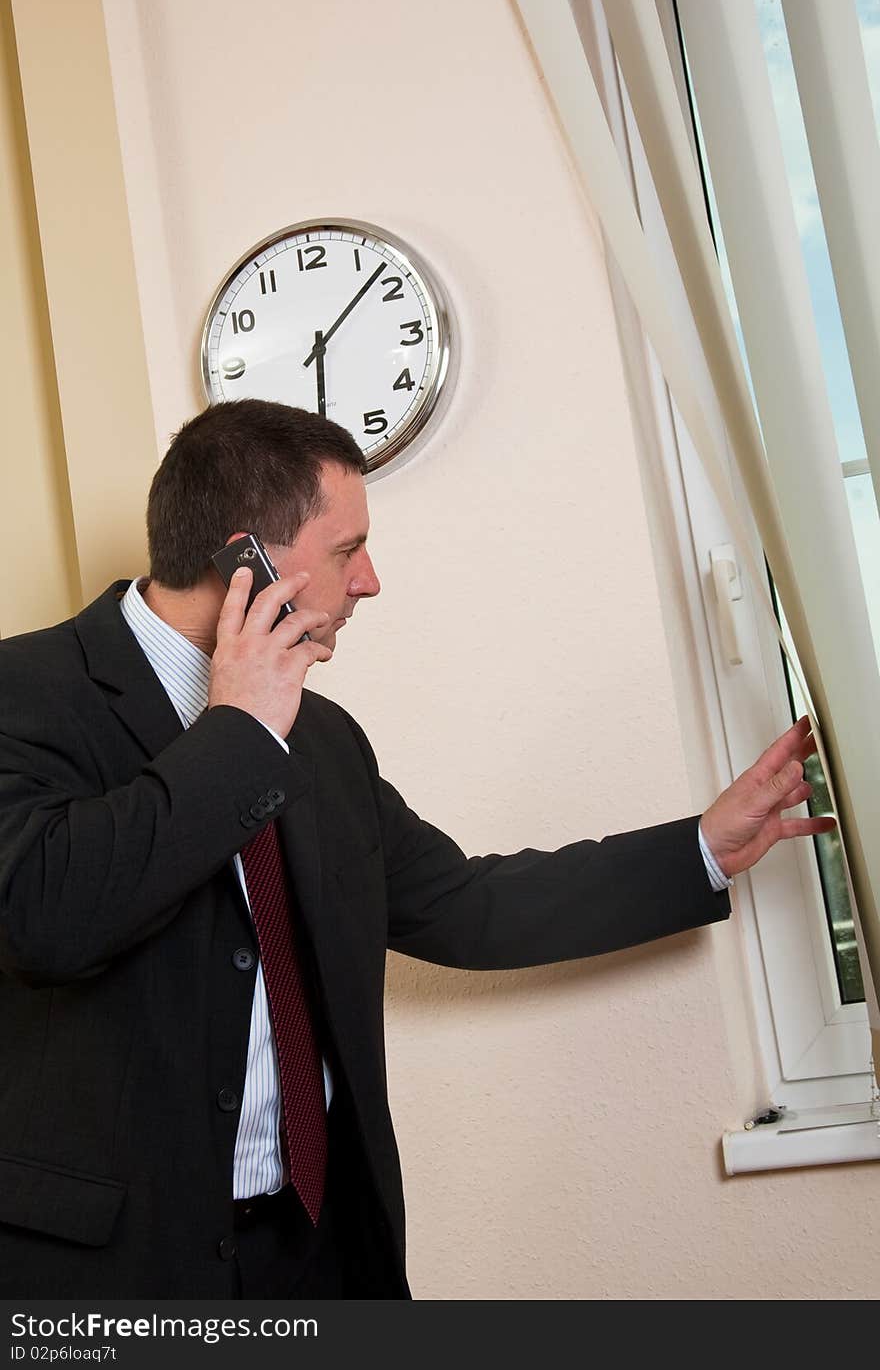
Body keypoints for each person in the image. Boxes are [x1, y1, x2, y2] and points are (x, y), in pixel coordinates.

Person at [0, 400, 833, 1299]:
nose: (370, 582)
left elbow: (465, 906)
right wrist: (238, 730)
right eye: (346, 550)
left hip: (317, 1252)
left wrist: (702, 848)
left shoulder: (321, 740)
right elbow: (49, 919)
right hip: (115, 1277)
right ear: (248, 562)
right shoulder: (28, 692)